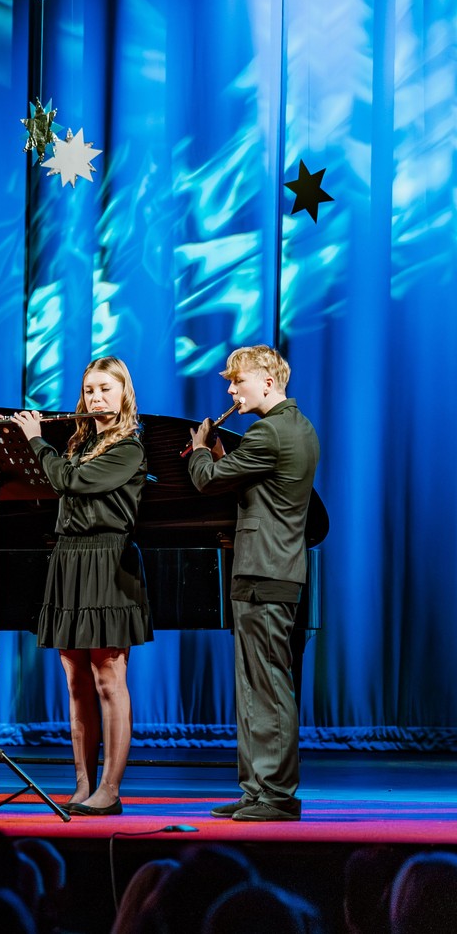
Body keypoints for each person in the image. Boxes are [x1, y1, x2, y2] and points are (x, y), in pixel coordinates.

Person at [9, 355, 150, 816]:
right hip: (69, 559)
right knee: (76, 683)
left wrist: (35, 441)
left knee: (109, 678)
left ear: (124, 393)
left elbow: (70, 481)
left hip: (108, 561)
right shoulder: (80, 443)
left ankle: (110, 789)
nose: (96, 398)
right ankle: (83, 783)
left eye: (106, 388)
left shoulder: (129, 448)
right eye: (90, 390)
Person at [187, 344, 318, 822]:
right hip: (268, 569)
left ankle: (277, 796)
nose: (231, 390)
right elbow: (255, 483)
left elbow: (207, 480)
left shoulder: (268, 431)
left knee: (268, 688)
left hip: (265, 570)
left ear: (267, 380)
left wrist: (201, 450)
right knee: (254, 688)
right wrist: (225, 456)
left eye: (237, 380)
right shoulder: (295, 427)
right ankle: (257, 789)